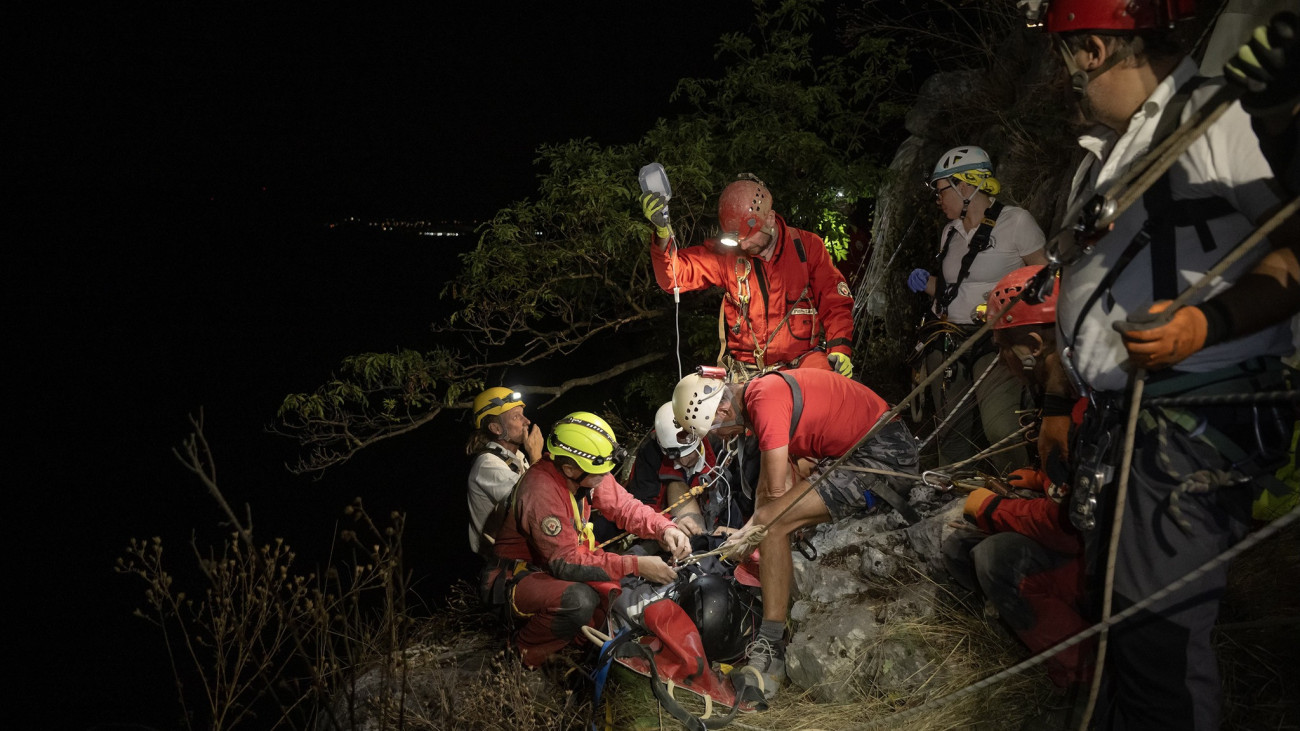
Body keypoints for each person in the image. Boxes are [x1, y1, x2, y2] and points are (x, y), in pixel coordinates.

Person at [1032, 1, 1300, 727]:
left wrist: (1203, 323)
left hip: (1191, 415)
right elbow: (1086, 288)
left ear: (1091, 48)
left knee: (1159, 639)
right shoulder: (1113, 148)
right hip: (1129, 419)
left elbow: (1293, 251)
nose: (1069, 79)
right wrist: (1060, 407)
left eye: (1068, 58)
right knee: (1119, 621)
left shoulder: (1218, 120)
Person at [671, 366, 920, 699]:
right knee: (769, 519)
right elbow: (764, 493)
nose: (723, 438)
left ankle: (771, 642)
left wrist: (753, 534)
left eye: (718, 430)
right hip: (870, 449)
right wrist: (746, 531)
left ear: (723, 410)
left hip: (882, 459)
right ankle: (773, 625)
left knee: (774, 524)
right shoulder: (759, 396)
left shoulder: (765, 401)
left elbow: (775, 499)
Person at [941, 266, 1095, 694]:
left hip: (1102, 562)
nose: (1002, 361)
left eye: (1002, 348)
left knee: (998, 557)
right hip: (1084, 539)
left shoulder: (1088, 408)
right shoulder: (1061, 395)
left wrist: (993, 507)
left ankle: (1085, 674)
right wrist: (1035, 478)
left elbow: (1070, 525)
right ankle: (1032, 637)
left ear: (1031, 345)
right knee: (960, 545)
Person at [482, 411, 691, 667]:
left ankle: (572, 651)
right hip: (518, 578)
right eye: (599, 473)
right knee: (580, 600)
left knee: (607, 596)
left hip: (552, 568)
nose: (605, 479)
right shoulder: (541, 490)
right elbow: (565, 562)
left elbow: (625, 507)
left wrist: (665, 529)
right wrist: (636, 565)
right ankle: (520, 657)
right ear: (569, 468)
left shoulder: (584, 472)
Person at [907, 146, 1048, 472]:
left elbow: (1045, 280)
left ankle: (1018, 491)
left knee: (1000, 426)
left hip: (996, 339)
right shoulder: (949, 233)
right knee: (950, 430)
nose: (939, 200)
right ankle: (949, 493)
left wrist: (1012, 310)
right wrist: (928, 283)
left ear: (965, 187)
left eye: (942, 191)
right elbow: (955, 289)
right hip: (950, 338)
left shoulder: (1015, 222)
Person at [642, 174, 856, 380]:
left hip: (801, 363)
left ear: (770, 218)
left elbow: (835, 303)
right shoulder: (727, 254)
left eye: (748, 237)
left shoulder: (807, 247)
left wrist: (840, 349)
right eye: (737, 240)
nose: (743, 246)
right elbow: (673, 277)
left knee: (833, 391)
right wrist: (662, 235)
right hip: (748, 372)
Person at [594, 402, 751, 546]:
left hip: (710, 519)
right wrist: (668, 525)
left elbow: (732, 493)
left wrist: (724, 528)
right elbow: (643, 500)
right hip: (661, 516)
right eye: (675, 456)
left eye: (690, 453)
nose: (683, 460)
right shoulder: (651, 451)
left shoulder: (719, 449)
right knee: (603, 528)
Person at [465, 387, 543, 556]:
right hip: (500, 566)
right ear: (496, 428)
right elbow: (535, 502)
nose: (527, 421)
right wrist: (536, 457)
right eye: (516, 417)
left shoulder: (518, 456)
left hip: (521, 556)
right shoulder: (487, 464)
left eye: (523, 414)